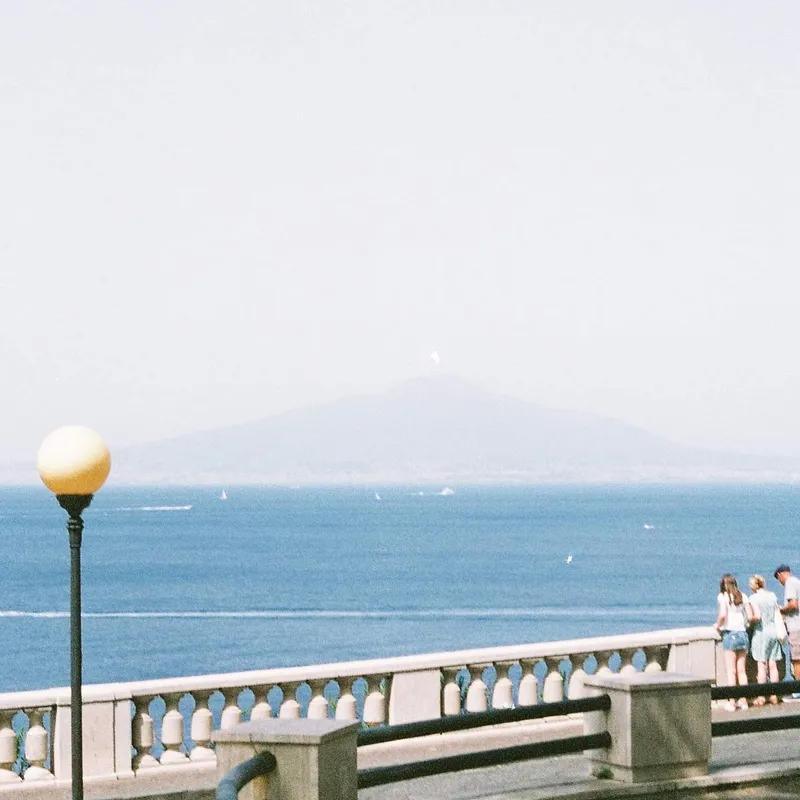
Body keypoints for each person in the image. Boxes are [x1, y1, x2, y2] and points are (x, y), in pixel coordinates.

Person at [714, 573, 751, 710]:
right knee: (742, 671)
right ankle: (744, 700)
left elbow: (723, 615)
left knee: (731, 671)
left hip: (730, 634)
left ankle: (732, 701)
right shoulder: (743, 596)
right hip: (742, 633)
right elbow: (750, 615)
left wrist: (717, 625)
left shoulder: (723, 597)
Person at [748, 575, 782, 705]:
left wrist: (748, 620)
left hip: (761, 632)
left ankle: (761, 696)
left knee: (761, 666)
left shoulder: (753, 598)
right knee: (773, 665)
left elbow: (756, 617)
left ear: (753, 585)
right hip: (773, 631)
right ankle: (774, 694)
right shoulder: (772, 596)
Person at [774, 564, 800, 681]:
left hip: (795, 627)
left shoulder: (790, 583)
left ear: (780, 575)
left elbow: (793, 605)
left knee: (796, 660)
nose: (780, 583)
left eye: (778, 579)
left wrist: (780, 609)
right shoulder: (797, 582)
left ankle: (798, 689)